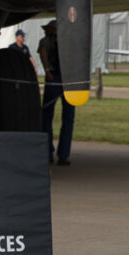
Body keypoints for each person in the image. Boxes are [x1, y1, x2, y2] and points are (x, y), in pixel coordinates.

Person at [38, 19, 75, 166]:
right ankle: (63, 154)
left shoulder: (44, 41)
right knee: (68, 118)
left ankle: (48, 152)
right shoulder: (68, 41)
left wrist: (47, 71)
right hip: (67, 79)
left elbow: (43, 54)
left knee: (47, 116)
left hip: (53, 78)